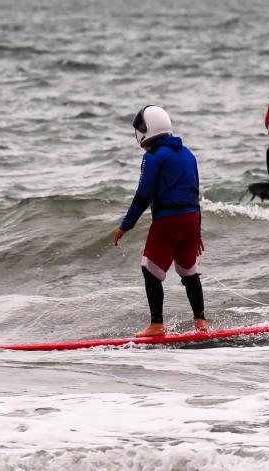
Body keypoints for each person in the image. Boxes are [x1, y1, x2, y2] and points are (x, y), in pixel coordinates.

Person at [113, 105, 208, 337]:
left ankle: (156, 324)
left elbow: (142, 196)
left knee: (150, 270)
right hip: (191, 219)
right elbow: (194, 193)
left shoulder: (153, 157)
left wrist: (125, 225)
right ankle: (201, 323)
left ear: (145, 130)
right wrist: (198, 232)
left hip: (168, 221)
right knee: (189, 272)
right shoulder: (188, 153)